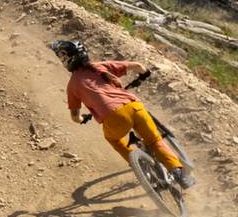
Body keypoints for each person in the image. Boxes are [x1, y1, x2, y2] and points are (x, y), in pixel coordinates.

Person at [48, 39, 193, 188]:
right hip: (135, 107)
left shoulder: (72, 85)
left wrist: (83, 118)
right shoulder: (99, 66)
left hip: (114, 118)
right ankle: (179, 173)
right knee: (155, 141)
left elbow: (75, 117)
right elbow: (138, 66)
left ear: (66, 60)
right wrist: (144, 74)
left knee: (114, 140)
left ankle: (140, 167)